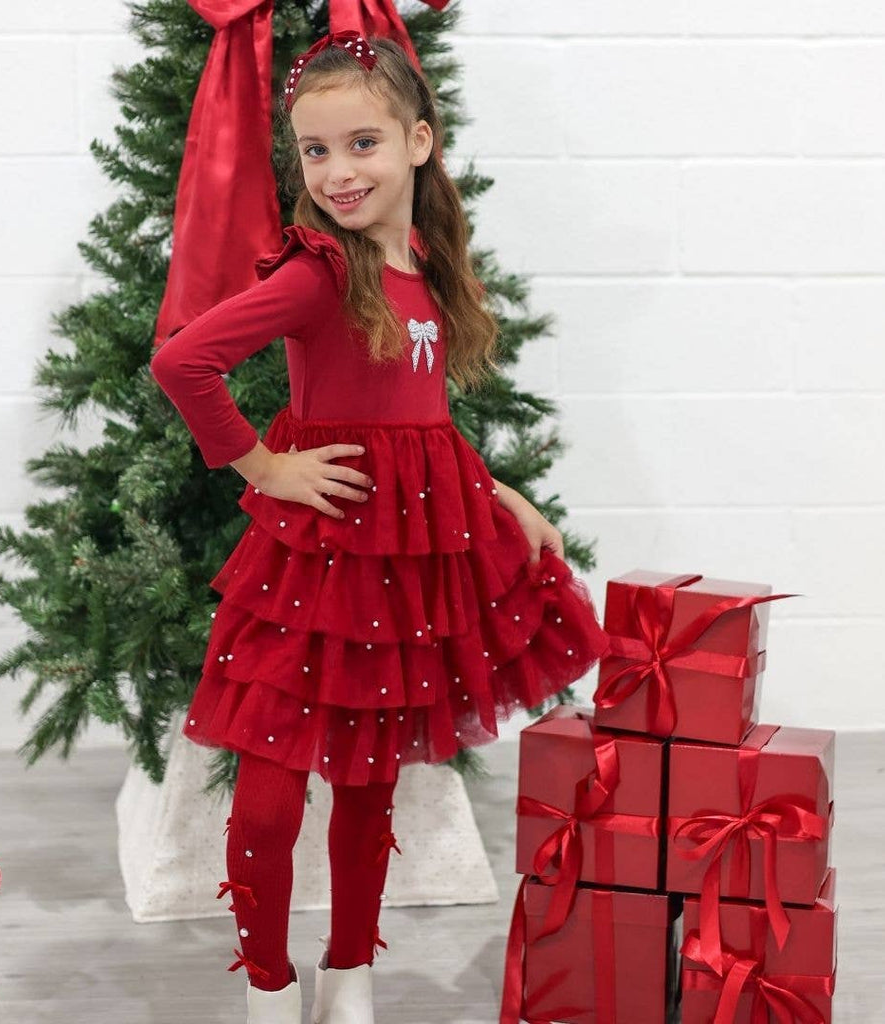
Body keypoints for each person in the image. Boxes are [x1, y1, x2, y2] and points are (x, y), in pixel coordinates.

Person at [149, 29, 611, 1024]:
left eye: (361, 144)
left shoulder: (428, 265)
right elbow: (183, 361)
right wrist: (264, 465)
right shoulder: (319, 273)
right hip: (311, 563)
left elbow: (424, 421)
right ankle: (269, 986)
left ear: (418, 142)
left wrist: (501, 494)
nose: (337, 172)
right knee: (269, 797)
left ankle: (350, 973)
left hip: (398, 567)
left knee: (368, 785)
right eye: (315, 151)